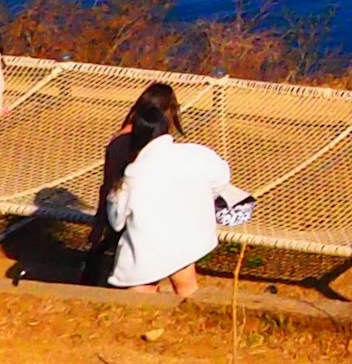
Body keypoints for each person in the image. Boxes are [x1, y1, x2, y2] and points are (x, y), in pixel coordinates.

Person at [100, 83, 247, 300]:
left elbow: (117, 220)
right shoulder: (196, 154)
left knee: (142, 297)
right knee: (187, 288)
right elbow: (221, 178)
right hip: (188, 240)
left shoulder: (133, 174)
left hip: (146, 248)